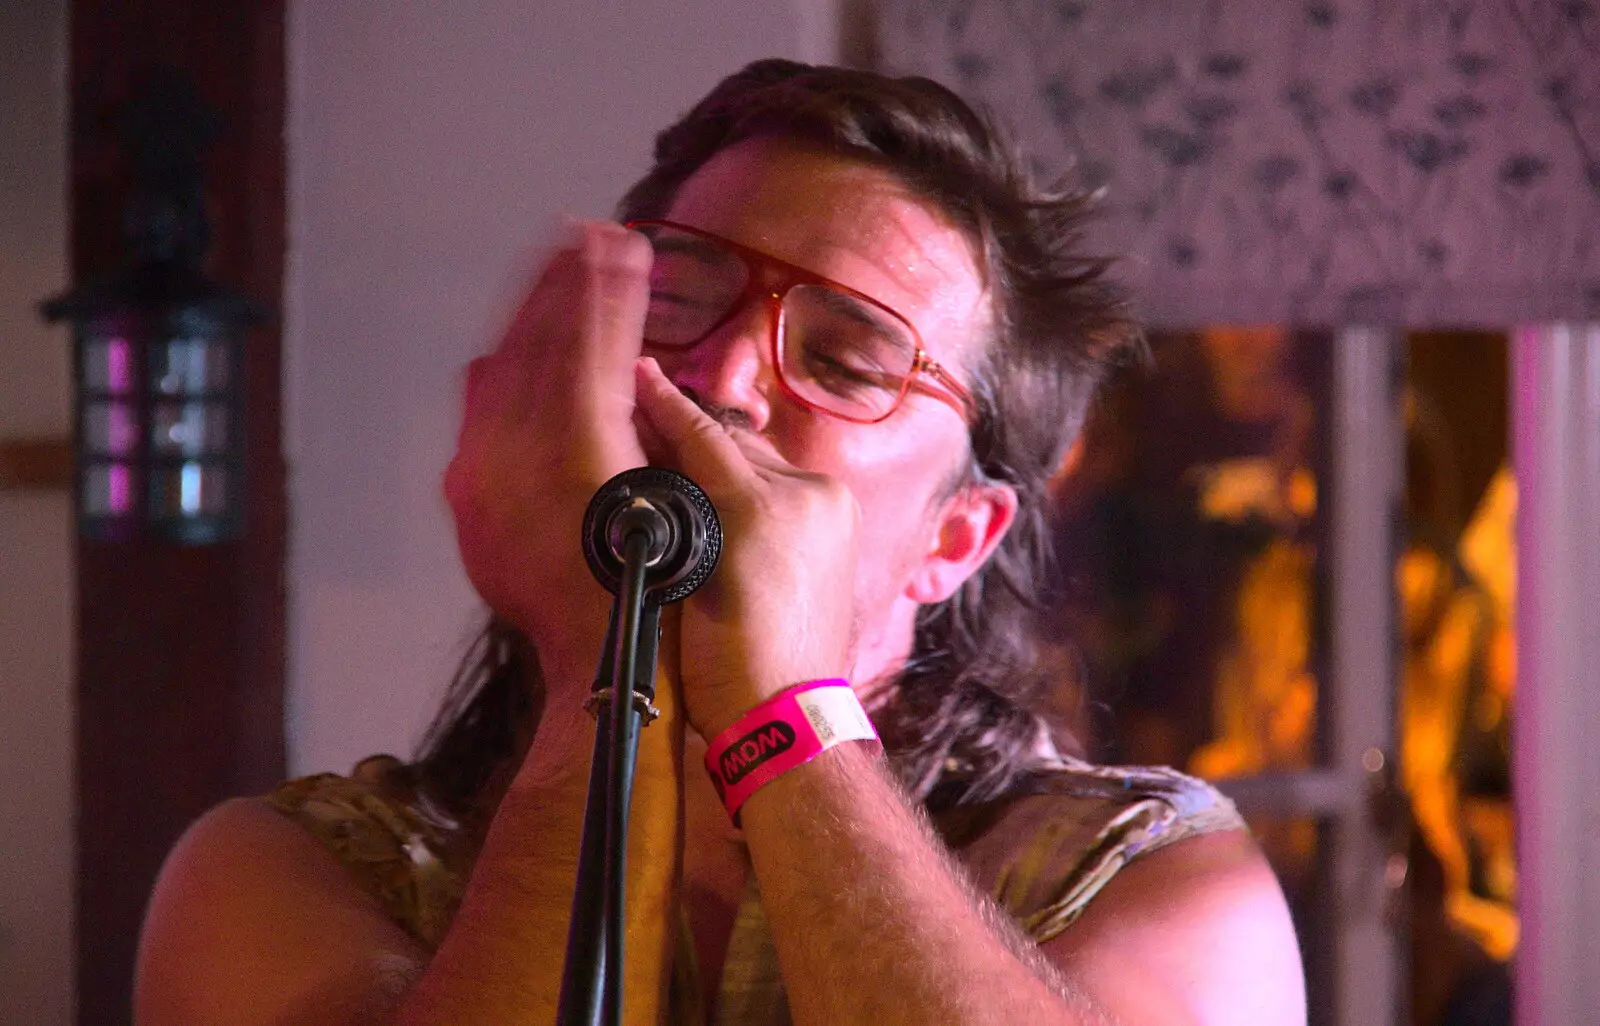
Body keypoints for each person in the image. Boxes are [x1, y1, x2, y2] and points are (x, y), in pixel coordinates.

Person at [134, 59, 1306, 1025]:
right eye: (680, 300)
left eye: (846, 360)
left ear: (956, 538)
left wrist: (780, 708)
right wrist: (608, 660)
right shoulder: (287, 875)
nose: (726, 381)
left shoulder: (1157, 885)